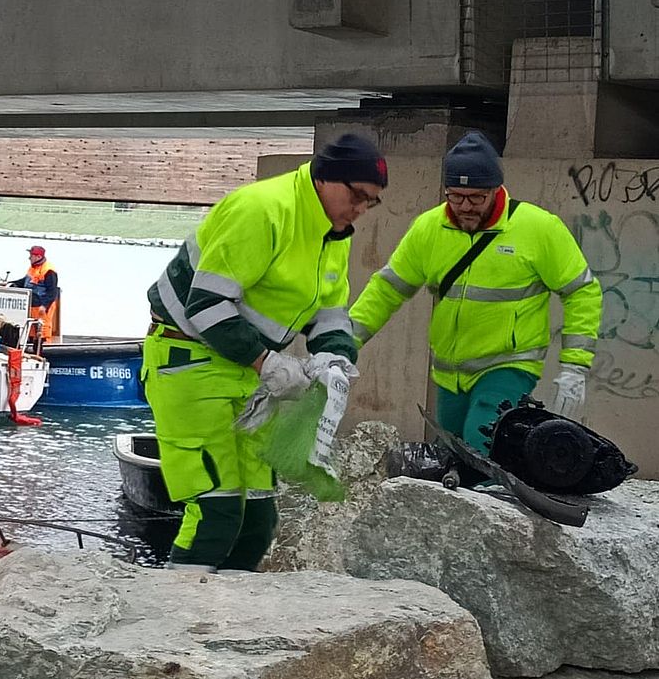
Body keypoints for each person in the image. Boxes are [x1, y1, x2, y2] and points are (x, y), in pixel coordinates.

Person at [142, 134, 388, 572]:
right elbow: (206, 304)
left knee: (257, 521)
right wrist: (269, 363)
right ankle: (175, 624)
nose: (360, 211)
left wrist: (334, 357)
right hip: (189, 361)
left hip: (244, 371)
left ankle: (232, 624)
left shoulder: (334, 233)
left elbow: (329, 313)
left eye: (371, 202)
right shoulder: (263, 210)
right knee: (215, 515)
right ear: (323, 177)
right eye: (356, 196)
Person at [349, 132, 602, 456]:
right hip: (450, 374)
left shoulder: (538, 229)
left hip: (509, 366)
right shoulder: (429, 229)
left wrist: (574, 368)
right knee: (452, 455)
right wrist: (346, 343)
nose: (465, 207)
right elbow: (387, 289)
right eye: (456, 197)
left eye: (476, 198)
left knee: (479, 445)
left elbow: (582, 291)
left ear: (496, 191)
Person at [10, 245, 59, 340]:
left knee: (42, 331)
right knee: (32, 331)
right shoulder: (33, 268)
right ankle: (31, 345)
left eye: (31, 255)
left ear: (38, 257)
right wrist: (11, 283)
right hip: (32, 305)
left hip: (42, 307)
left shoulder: (49, 270)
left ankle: (43, 349)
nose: (29, 258)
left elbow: (52, 292)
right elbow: (25, 281)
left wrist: (44, 306)